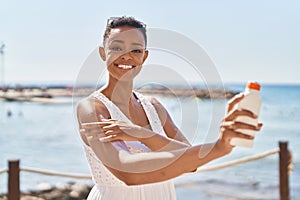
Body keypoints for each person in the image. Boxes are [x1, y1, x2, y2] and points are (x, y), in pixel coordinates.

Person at [76, 16, 262, 200]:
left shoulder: (153, 107)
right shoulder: (92, 109)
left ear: (145, 56)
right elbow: (128, 173)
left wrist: (141, 134)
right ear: (103, 52)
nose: (127, 56)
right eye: (116, 47)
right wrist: (219, 147)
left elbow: (191, 163)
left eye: (136, 50)